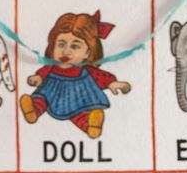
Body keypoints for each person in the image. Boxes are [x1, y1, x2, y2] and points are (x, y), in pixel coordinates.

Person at [19, 11, 131, 139]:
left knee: (80, 113)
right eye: (61, 44)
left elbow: (101, 76)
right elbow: (42, 73)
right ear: (53, 46)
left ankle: (91, 126)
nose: (66, 51)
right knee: (41, 99)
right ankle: (32, 111)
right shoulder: (51, 67)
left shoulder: (86, 69)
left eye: (75, 46)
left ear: (88, 53)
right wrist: (37, 78)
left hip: (77, 97)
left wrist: (113, 83)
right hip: (51, 92)